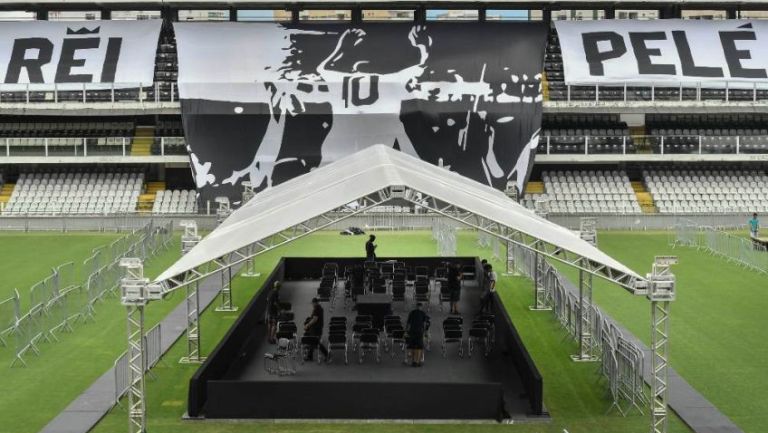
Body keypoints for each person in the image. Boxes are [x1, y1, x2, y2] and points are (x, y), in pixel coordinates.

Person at [303, 298, 330, 362]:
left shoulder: (317, 309)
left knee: (317, 342)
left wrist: (307, 325)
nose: (312, 304)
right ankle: (310, 356)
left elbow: (315, 319)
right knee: (313, 342)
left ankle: (327, 355)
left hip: (316, 329)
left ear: (315, 303)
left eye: (312, 303)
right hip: (317, 328)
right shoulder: (319, 308)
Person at [405, 303, 430, 367]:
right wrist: (424, 331)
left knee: (413, 346)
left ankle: (413, 361)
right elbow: (424, 324)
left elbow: (408, 323)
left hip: (412, 331)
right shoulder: (423, 313)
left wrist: (406, 331)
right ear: (421, 307)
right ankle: (418, 361)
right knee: (419, 347)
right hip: (419, 331)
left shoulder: (412, 313)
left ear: (416, 307)